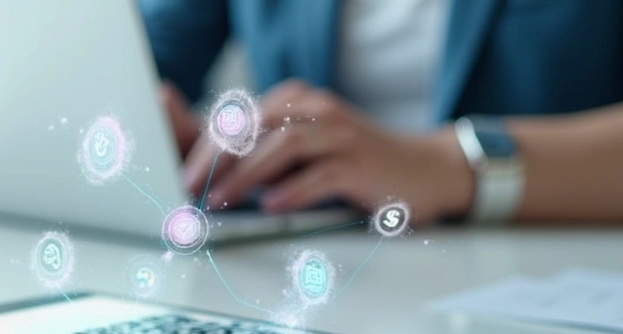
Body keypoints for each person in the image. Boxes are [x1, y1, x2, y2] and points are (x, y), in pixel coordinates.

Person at [140, 0, 623, 225]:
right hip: (307, 249)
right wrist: (153, 117)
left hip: (544, 259)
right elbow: (151, 55)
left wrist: (442, 165)